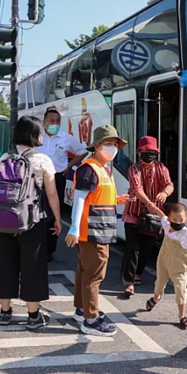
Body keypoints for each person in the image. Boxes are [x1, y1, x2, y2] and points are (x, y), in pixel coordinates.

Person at [0, 116, 62, 330]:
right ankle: (33, 316)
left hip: (4, 219)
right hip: (32, 220)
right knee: (33, 266)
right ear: (35, 135)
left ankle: (5, 312)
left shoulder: (5, 156)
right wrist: (58, 219)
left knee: (5, 263)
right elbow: (51, 194)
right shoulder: (43, 160)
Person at [65, 125, 129, 336]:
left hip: (97, 230)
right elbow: (79, 200)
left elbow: (96, 199)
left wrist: (118, 200)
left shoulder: (103, 168)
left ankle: (82, 309)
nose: (113, 148)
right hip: (92, 232)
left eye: (115, 145)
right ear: (97, 146)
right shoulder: (89, 168)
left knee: (85, 270)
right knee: (94, 274)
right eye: (108, 144)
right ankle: (90, 320)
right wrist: (74, 228)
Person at [121, 136, 173, 296]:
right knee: (132, 248)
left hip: (153, 217)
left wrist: (165, 193)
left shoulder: (161, 168)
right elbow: (137, 189)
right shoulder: (133, 169)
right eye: (146, 151)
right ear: (139, 152)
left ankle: (138, 273)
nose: (150, 155)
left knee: (146, 248)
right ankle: (128, 282)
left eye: (152, 152)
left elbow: (169, 184)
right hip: (134, 214)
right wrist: (148, 202)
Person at [36, 107, 88, 262]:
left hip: (57, 178)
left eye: (58, 121)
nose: (55, 123)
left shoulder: (66, 138)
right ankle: (35, 245)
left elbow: (82, 151)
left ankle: (49, 250)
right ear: (44, 122)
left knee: (52, 213)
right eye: (51, 121)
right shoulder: (38, 137)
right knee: (35, 211)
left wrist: (69, 166)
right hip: (37, 178)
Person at [144, 203, 187, 328]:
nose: (178, 222)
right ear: (170, 219)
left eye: (181, 219)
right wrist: (155, 209)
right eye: (175, 219)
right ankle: (155, 298)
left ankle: (182, 316)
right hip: (163, 261)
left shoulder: (186, 233)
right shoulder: (166, 225)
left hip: (179, 266)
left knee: (180, 289)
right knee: (159, 283)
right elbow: (162, 216)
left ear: (186, 219)